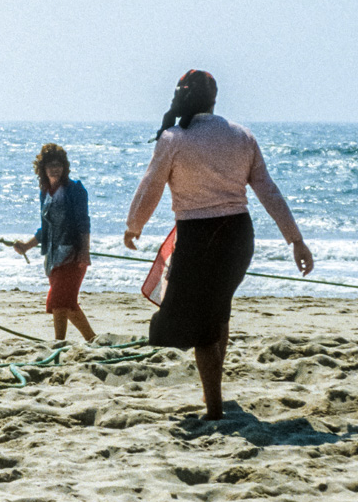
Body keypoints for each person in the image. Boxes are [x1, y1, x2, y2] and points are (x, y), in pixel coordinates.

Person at [124, 70, 313, 420]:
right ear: (214, 97)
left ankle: (213, 409)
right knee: (218, 311)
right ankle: (216, 395)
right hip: (239, 237)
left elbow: (151, 185)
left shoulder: (174, 138)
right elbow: (268, 191)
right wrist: (295, 240)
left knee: (205, 323)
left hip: (199, 238)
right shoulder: (241, 135)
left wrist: (133, 226)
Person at [14, 144, 96, 342]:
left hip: (73, 256)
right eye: (50, 165)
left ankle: (59, 343)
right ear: (42, 169)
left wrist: (85, 252)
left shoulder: (75, 189)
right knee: (68, 304)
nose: (55, 169)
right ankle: (93, 340)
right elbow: (46, 230)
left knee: (59, 301)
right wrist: (26, 246)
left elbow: (84, 223)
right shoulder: (45, 192)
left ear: (64, 167)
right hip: (53, 258)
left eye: (58, 164)